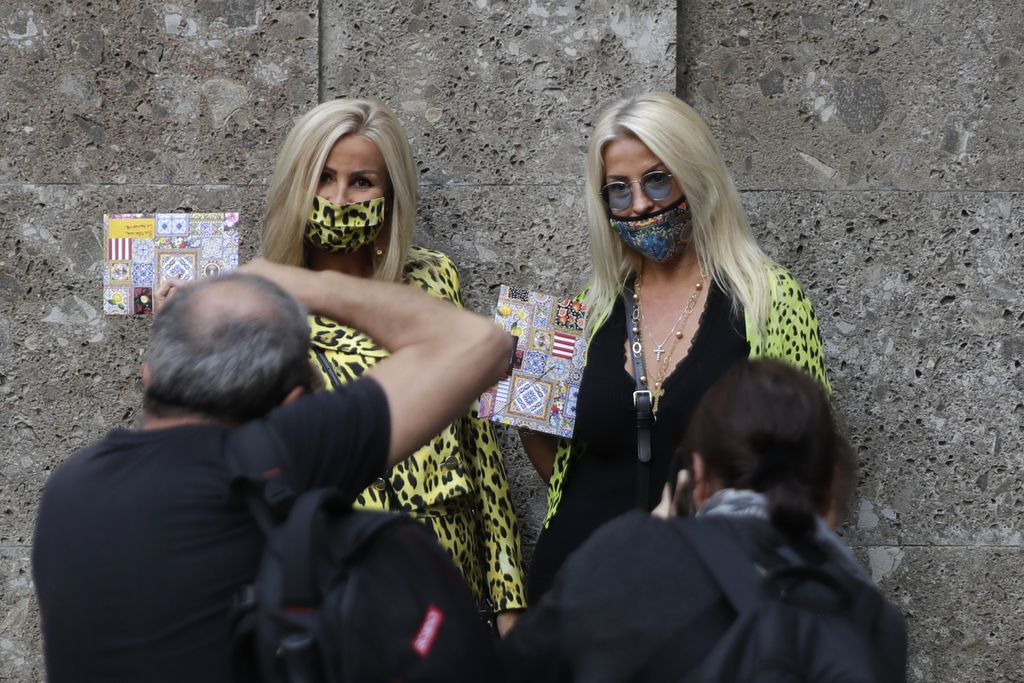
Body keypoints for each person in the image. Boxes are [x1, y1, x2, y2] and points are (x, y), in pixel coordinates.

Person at [32, 262, 514, 683]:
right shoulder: (278, 455)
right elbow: (480, 342)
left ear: (150, 374)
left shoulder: (70, 488)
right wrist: (284, 278)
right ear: (298, 404)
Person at [521, 91, 831, 600]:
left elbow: (807, 463)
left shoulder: (767, 299)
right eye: (618, 190)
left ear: (696, 173)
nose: (639, 203)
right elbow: (538, 438)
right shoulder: (583, 309)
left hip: (712, 597)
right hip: (577, 590)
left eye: (657, 179)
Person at [261, 98, 526, 632]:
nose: (339, 199)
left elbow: (478, 444)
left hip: (445, 574)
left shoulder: (433, 280)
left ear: (391, 193)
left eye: (362, 182)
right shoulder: (263, 303)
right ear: (297, 186)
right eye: (323, 178)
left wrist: (509, 599)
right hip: (336, 584)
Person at [500, 359, 907, 682]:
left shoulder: (631, 552)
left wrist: (648, 540)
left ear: (697, 473)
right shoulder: (877, 623)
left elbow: (520, 667)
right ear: (828, 489)